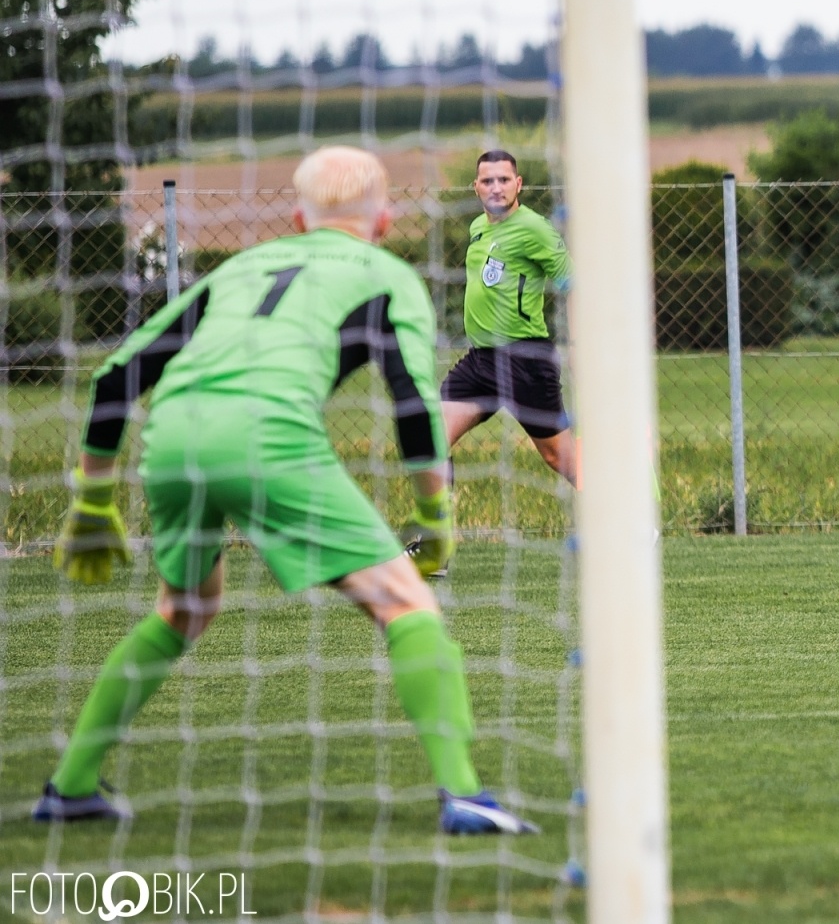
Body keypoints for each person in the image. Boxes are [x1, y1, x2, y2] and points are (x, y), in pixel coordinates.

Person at [35, 146, 535, 835]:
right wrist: (432, 516)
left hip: (173, 437)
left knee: (182, 610)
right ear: (385, 219)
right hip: (267, 437)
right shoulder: (388, 277)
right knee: (407, 602)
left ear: (299, 218)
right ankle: (467, 795)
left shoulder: (242, 266)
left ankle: (71, 785)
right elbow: (415, 407)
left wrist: (91, 502)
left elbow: (116, 376)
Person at [437, 150, 574, 513]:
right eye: (487, 181)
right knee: (429, 436)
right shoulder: (478, 228)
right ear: (476, 187)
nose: (495, 187)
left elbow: (573, 283)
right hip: (480, 360)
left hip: (524, 360)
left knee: (560, 458)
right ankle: (435, 543)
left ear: (518, 184)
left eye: (503, 180)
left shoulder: (534, 229)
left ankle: (632, 523)